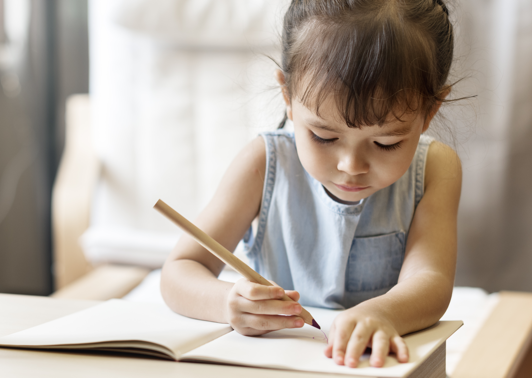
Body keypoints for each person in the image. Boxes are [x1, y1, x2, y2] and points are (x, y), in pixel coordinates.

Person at [160, 0, 461, 368]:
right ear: (288, 97)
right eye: (323, 136)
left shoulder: (435, 167)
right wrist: (227, 302)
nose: (351, 167)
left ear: (430, 111)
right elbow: (180, 270)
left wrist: (382, 314)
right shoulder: (261, 163)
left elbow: (431, 279)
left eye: (386, 144)